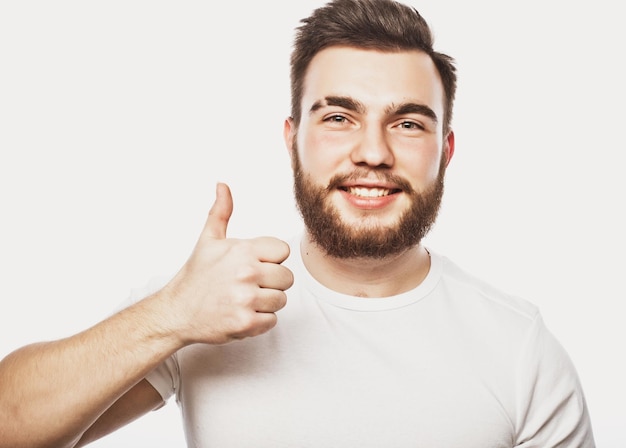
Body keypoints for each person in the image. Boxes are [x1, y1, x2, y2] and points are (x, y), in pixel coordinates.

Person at [0, 0, 595, 446]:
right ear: (293, 141)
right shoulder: (208, 301)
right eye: (339, 117)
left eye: (409, 124)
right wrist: (171, 317)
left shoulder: (519, 349)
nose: (373, 153)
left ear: (446, 149)